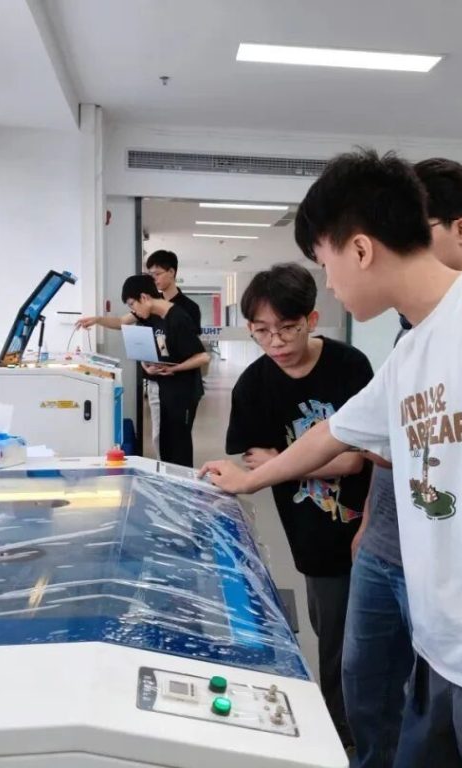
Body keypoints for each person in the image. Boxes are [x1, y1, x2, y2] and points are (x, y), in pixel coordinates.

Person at [201, 149, 462, 767]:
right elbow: (334, 433)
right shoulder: (413, 347)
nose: (330, 283)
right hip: (446, 646)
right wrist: (249, 479)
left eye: (325, 262)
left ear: (360, 249)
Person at [342, 156, 462, 768]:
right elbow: (381, 435)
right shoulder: (410, 333)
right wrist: (371, 520)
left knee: (437, 713)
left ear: (461, 230)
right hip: (385, 545)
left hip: (447, 561)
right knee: (366, 684)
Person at [226, 262, 373, 749]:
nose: (276, 342)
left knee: (354, 643)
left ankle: (350, 738)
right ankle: (344, 732)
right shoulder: (253, 387)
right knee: (328, 632)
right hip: (309, 533)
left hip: (365, 523)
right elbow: (256, 463)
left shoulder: (350, 367)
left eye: (288, 328)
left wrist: (283, 462)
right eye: (261, 331)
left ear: (312, 319)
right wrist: (293, 465)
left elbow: (355, 460)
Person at [76, 250, 201, 456]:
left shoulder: (185, 309)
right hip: (157, 380)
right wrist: (97, 320)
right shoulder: (147, 306)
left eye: (157, 274)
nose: (154, 279)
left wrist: (174, 367)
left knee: (179, 438)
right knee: (161, 437)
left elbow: (193, 350)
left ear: (172, 272)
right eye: (151, 274)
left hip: (181, 383)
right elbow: (121, 322)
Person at [118, 274, 208, 467]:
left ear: (144, 297)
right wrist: (146, 364)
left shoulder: (178, 318)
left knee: (179, 447)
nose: (133, 311)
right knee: (166, 444)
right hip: (166, 390)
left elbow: (202, 357)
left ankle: (182, 483)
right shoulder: (155, 317)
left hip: (183, 392)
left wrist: (175, 368)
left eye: (132, 304)